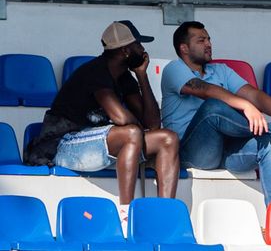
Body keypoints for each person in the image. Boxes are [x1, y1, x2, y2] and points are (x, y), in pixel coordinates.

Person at [26, 20, 180, 223]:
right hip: (63, 146)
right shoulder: (94, 71)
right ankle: (127, 214)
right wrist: (138, 129)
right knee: (132, 133)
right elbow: (120, 118)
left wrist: (142, 76)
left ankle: (166, 214)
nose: (143, 50)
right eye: (138, 44)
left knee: (168, 139)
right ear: (125, 50)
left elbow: (152, 124)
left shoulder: (125, 77)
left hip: (99, 145)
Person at [160, 21, 271, 206]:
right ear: (184, 48)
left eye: (209, 39)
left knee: (270, 144)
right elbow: (204, 90)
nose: (208, 44)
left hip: (226, 151)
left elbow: (254, 95)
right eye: (201, 40)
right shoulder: (174, 68)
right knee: (213, 107)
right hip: (191, 153)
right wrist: (245, 106)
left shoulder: (221, 70)